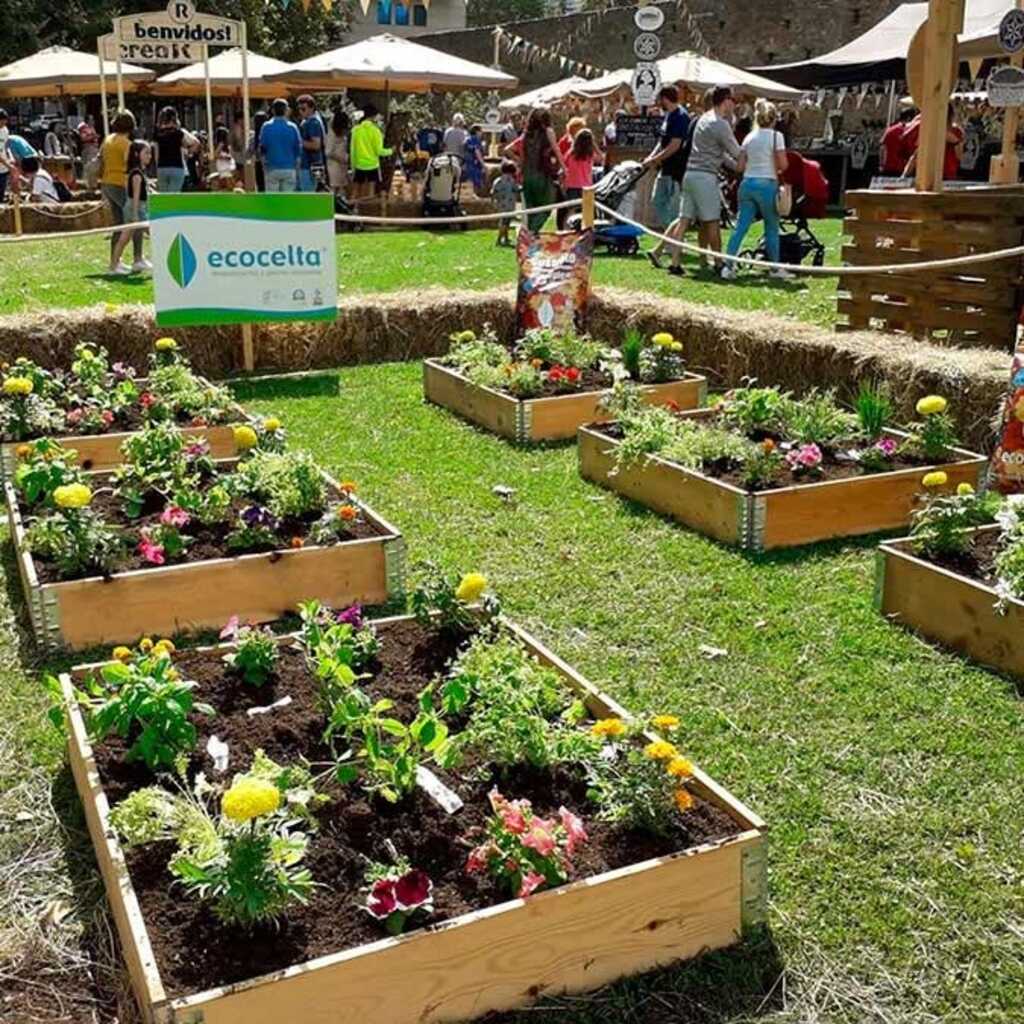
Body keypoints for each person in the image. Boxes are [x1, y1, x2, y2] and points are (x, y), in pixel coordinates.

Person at [665, 85, 740, 277]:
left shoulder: (703, 119)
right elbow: (736, 151)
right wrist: (747, 160)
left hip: (690, 175)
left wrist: (734, 165)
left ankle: (675, 263)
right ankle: (718, 263)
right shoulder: (720, 124)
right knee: (712, 222)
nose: (735, 104)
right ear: (725, 100)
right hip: (705, 177)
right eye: (733, 100)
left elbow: (718, 153)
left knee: (684, 220)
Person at [721, 100, 792, 282]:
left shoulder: (749, 138)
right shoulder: (777, 137)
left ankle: (728, 266)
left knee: (741, 227)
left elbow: (740, 166)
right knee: (771, 227)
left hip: (747, 184)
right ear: (774, 119)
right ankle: (774, 267)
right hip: (767, 184)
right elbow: (783, 165)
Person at [642, 86, 691, 268]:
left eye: (660, 99)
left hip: (677, 170)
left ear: (665, 98)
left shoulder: (680, 117)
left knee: (674, 209)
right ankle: (672, 240)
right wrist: (651, 158)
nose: (658, 102)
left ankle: (673, 244)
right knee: (658, 202)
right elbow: (662, 142)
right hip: (665, 169)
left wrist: (655, 159)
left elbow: (675, 145)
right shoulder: (668, 116)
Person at [99, 111, 147, 275]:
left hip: (106, 182)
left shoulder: (107, 140)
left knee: (119, 224)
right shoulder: (127, 144)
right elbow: (130, 164)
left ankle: (115, 261)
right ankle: (137, 258)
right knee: (135, 220)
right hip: (120, 183)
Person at [505, 106, 566, 233]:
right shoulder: (548, 131)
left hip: (527, 175)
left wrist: (520, 161)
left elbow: (508, 150)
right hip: (542, 174)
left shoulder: (526, 135)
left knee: (531, 209)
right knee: (547, 206)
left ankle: (529, 235)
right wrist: (564, 167)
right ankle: (531, 231)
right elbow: (556, 149)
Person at [110, 141, 152, 273]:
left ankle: (115, 264)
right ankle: (114, 265)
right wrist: (134, 214)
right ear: (136, 154)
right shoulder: (136, 174)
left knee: (125, 238)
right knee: (125, 238)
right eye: (146, 153)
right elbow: (135, 195)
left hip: (139, 208)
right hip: (135, 208)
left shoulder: (140, 172)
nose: (149, 156)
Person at [902, 104, 963, 182]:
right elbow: (917, 153)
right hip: (927, 173)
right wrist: (905, 174)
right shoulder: (927, 128)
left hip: (947, 174)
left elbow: (959, 156)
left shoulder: (956, 131)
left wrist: (955, 141)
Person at [349, 103, 392, 200]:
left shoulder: (356, 130)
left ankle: (350, 209)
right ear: (374, 116)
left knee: (355, 191)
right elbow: (379, 151)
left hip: (359, 165)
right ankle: (366, 211)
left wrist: (353, 167)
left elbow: (352, 150)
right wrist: (391, 151)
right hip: (372, 166)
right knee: (370, 193)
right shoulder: (376, 131)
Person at [259, 98, 302, 193]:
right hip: (289, 168)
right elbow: (298, 151)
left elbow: (262, 149)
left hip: (271, 167)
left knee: (272, 201)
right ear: (286, 110)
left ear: (273, 110)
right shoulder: (293, 127)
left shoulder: (266, 127)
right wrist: (297, 171)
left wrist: (263, 167)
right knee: (287, 201)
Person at [153, 106, 198, 194]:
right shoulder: (179, 133)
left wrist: (157, 167)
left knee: (163, 196)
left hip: (162, 167)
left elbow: (156, 154)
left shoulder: (157, 134)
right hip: (177, 167)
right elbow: (194, 143)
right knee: (174, 196)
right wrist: (188, 153)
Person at [563, 127, 603, 201]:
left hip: (572, 185)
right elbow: (601, 157)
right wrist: (595, 146)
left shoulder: (571, 154)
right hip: (586, 186)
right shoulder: (590, 155)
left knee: (572, 209)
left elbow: (564, 164)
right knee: (586, 210)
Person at [879, 100, 917, 176]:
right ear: (909, 118)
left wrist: (881, 164)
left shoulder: (890, 130)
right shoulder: (908, 131)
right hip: (901, 169)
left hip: (887, 167)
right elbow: (912, 151)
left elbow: (882, 148)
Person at [297, 94, 326, 191]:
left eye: (303, 109)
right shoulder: (311, 121)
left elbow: (316, 145)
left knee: (308, 195)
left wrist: (299, 142)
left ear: (311, 108)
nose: (301, 112)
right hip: (315, 164)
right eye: (299, 109)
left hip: (310, 165)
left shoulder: (313, 123)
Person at [491, 158, 521, 246]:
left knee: (504, 221)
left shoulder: (498, 180)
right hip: (509, 205)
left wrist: (493, 202)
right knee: (505, 222)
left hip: (501, 204)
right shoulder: (512, 180)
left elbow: (493, 192)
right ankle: (499, 239)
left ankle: (505, 238)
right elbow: (516, 189)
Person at [326, 109, 350, 193]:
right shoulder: (331, 135)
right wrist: (341, 159)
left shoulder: (343, 134)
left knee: (342, 189)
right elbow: (328, 152)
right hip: (334, 166)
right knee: (334, 189)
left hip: (342, 166)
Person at [247, 110, 268, 192]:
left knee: (260, 188)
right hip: (269, 164)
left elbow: (248, 154)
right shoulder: (269, 135)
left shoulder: (253, 138)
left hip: (258, 164)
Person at [463, 124, 485, 191]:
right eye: (481, 131)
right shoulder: (475, 139)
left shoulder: (467, 139)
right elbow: (477, 151)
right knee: (476, 183)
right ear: (477, 131)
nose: (481, 133)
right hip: (474, 165)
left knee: (468, 184)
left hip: (467, 164)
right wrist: (483, 164)